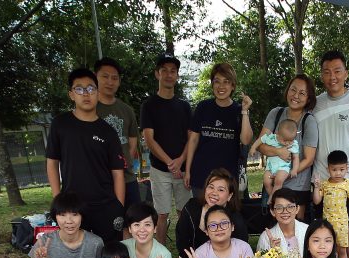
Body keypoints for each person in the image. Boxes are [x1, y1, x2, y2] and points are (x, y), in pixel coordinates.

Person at [45, 67, 126, 244]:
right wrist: (58, 200)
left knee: (108, 257)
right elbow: (52, 163)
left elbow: (117, 173)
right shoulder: (61, 124)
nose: (86, 94)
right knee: (79, 255)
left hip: (105, 205)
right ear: (71, 94)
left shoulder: (108, 131)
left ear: (97, 93)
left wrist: (118, 206)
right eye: (79, 89)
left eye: (91, 88)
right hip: (73, 207)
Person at [312, 51, 349, 258]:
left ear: (346, 73)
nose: (332, 77)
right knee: (323, 229)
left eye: (337, 71)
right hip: (322, 179)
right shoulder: (315, 103)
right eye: (327, 72)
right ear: (321, 75)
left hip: (348, 179)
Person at [140, 54, 192, 245]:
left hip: (183, 169)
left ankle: (186, 253)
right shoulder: (149, 105)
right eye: (164, 70)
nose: (169, 75)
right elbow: (149, 139)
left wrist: (180, 160)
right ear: (157, 74)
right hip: (160, 170)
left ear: (177, 75)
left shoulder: (184, 106)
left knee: (183, 212)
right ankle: (160, 256)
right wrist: (170, 162)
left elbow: (191, 138)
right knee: (161, 214)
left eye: (173, 71)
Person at [254, 75, 319, 219]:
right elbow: (261, 144)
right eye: (293, 90)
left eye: (302, 93)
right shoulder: (275, 114)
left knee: (296, 229)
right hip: (272, 181)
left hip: (297, 185)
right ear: (287, 91)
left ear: (308, 98)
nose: (296, 96)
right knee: (275, 228)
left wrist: (285, 174)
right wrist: (278, 151)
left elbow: (309, 159)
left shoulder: (309, 121)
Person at [183, 62, 253, 197]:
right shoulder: (203, 107)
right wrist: (188, 170)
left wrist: (245, 111)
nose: (221, 86)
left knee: (226, 217)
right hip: (201, 176)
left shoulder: (239, 110)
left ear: (233, 86)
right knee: (202, 216)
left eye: (226, 82)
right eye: (217, 81)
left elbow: (245, 139)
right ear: (212, 84)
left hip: (228, 179)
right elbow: (193, 140)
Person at [175, 169, 250, 258]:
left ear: (230, 196)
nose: (214, 193)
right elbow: (181, 240)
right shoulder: (191, 208)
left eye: (221, 190)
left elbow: (242, 251)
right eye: (211, 187)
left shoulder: (235, 221)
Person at [94, 57, 142, 210]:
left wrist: (126, 158)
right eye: (105, 76)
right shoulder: (90, 110)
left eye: (114, 78)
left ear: (119, 81)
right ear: (96, 78)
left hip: (127, 178)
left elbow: (133, 138)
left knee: (134, 220)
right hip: (100, 180)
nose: (110, 82)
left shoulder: (126, 110)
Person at [312, 150, 349, 258]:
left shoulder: (348, 184)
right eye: (334, 170)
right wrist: (316, 187)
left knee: (342, 250)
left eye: (342, 170)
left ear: (347, 168)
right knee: (328, 249)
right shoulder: (325, 184)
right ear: (328, 169)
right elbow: (316, 201)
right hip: (327, 223)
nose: (338, 173)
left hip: (342, 223)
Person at [257, 188, 309, 258]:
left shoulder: (308, 231)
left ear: (297, 209)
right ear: (272, 211)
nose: (285, 211)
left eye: (290, 207)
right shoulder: (266, 238)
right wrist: (273, 252)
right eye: (279, 208)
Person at [253, 117, 299, 198]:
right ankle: (274, 198)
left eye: (290, 140)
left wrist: (294, 169)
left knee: (278, 182)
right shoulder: (271, 138)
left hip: (283, 168)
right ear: (278, 134)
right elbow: (260, 140)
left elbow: (295, 158)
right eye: (285, 140)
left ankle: (271, 199)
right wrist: (253, 148)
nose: (287, 143)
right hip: (270, 167)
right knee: (266, 182)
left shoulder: (294, 144)